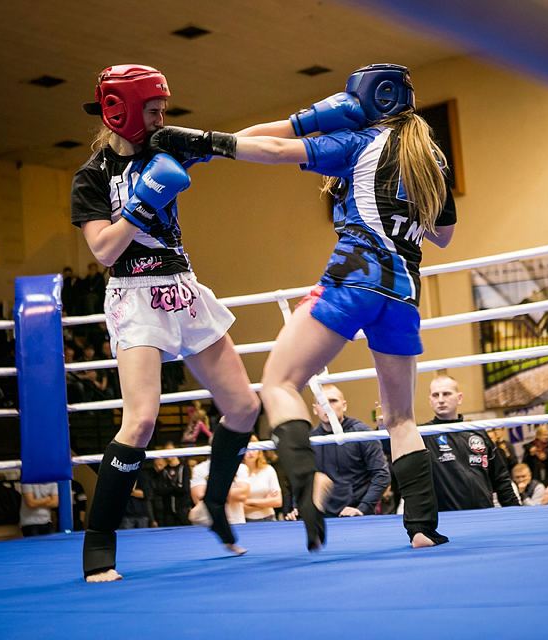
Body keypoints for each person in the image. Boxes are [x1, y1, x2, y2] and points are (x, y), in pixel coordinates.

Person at [152, 64, 457, 550]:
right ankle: (422, 528)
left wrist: (203, 142)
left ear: (369, 99)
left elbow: (274, 150)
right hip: (403, 294)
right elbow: (443, 236)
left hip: (354, 279)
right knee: (401, 418)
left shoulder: (359, 143)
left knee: (278, 382)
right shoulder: (432, 157)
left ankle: (306, 481)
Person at [71, 64, 260, 581]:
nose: (161, 118)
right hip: (133, 293)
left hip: (181, 285)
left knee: (244, 407)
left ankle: (213, 503)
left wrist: (308, 129)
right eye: (153, 110)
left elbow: (235, 143)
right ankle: (99, 543)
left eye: (162, 110)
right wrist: (141, 203)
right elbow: (103, 249)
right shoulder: (91, 177)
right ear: (122, 112)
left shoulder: (167, 143)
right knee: (141, 420)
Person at [418, 375, 519, 511]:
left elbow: (501, 479)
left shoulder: (478, 433)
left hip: (483, 514)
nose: (441, 400)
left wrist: (516, 512)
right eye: (436, 395)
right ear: (430, 401)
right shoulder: (423, 434)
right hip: (446, 516)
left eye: (446, 394)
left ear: (459, 398)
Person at [305, 385, 389, 518]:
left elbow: (382, 474)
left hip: (357, 515)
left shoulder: (362, 433)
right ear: (315, 409)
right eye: (322, 402)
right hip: (323, 516)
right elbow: (303, 477)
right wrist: (297, 507)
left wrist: (362, 508)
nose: (327, 406)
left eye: (333, 401)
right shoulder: (311, 440)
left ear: (344, 406)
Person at [190, 455, 250, 528]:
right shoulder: (200, 469)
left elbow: (242, 495)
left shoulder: (240, 467)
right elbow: (199, 497)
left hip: (236, 522)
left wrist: (209, 491)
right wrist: (232, 492)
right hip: (208, 522)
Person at [147, 444, 191, 527]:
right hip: (168, 511)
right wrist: (177, 487)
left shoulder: (184, 468)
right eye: (166, 451)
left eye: (171, 450)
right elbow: (160, 490)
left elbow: (185, 489)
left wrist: (168, 489)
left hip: (183, 508)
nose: (169, 454)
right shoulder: (164, 471)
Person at [243, 436, 282, 522]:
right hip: (245, 520)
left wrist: (249, 501)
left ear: (259, 451)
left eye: (254, 449)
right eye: (247, 449)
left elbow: (278, 501)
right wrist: (266, 502)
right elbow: (239, 507)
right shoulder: (238, 472)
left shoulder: (268, 470)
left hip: (269, 518)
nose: (251, 453)